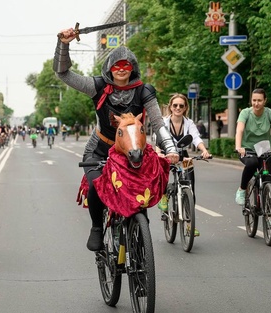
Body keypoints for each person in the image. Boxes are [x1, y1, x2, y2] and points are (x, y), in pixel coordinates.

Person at [55, 27, 179, 251]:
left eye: (126, 65)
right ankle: (96, 228)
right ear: (109, 68)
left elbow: (159, 123)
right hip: (100, 150)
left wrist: (170, 148)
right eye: (116, 65)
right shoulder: (97, 86)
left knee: (140, 189)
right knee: (96, 185)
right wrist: (63, 44)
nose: (121, 70)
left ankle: (141, 231)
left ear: (133, 68)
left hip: (134, 151)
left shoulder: (144, 90)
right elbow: (63, 74)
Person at [157, 94, 211, 237]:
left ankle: (189, 225)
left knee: (190, 187)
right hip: (166, 153)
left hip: (183, 155)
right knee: (161, 172)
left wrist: (204, 151)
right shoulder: (164, 122)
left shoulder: (189, 123)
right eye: (175, 105)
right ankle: (163, 196)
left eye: (181, 105)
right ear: (170, 107)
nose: (178, 108)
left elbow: (195, 138)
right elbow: (159, 139)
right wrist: (159, 154)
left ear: (185, 107)